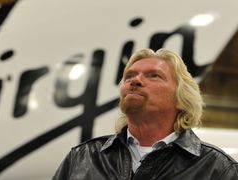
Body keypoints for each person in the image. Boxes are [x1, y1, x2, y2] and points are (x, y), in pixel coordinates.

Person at [52, 48, 238, 180]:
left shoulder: (217, 169)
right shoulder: (82, 157)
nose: (136, 81)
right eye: (129, 76)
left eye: (153, 75)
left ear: (182, 99)